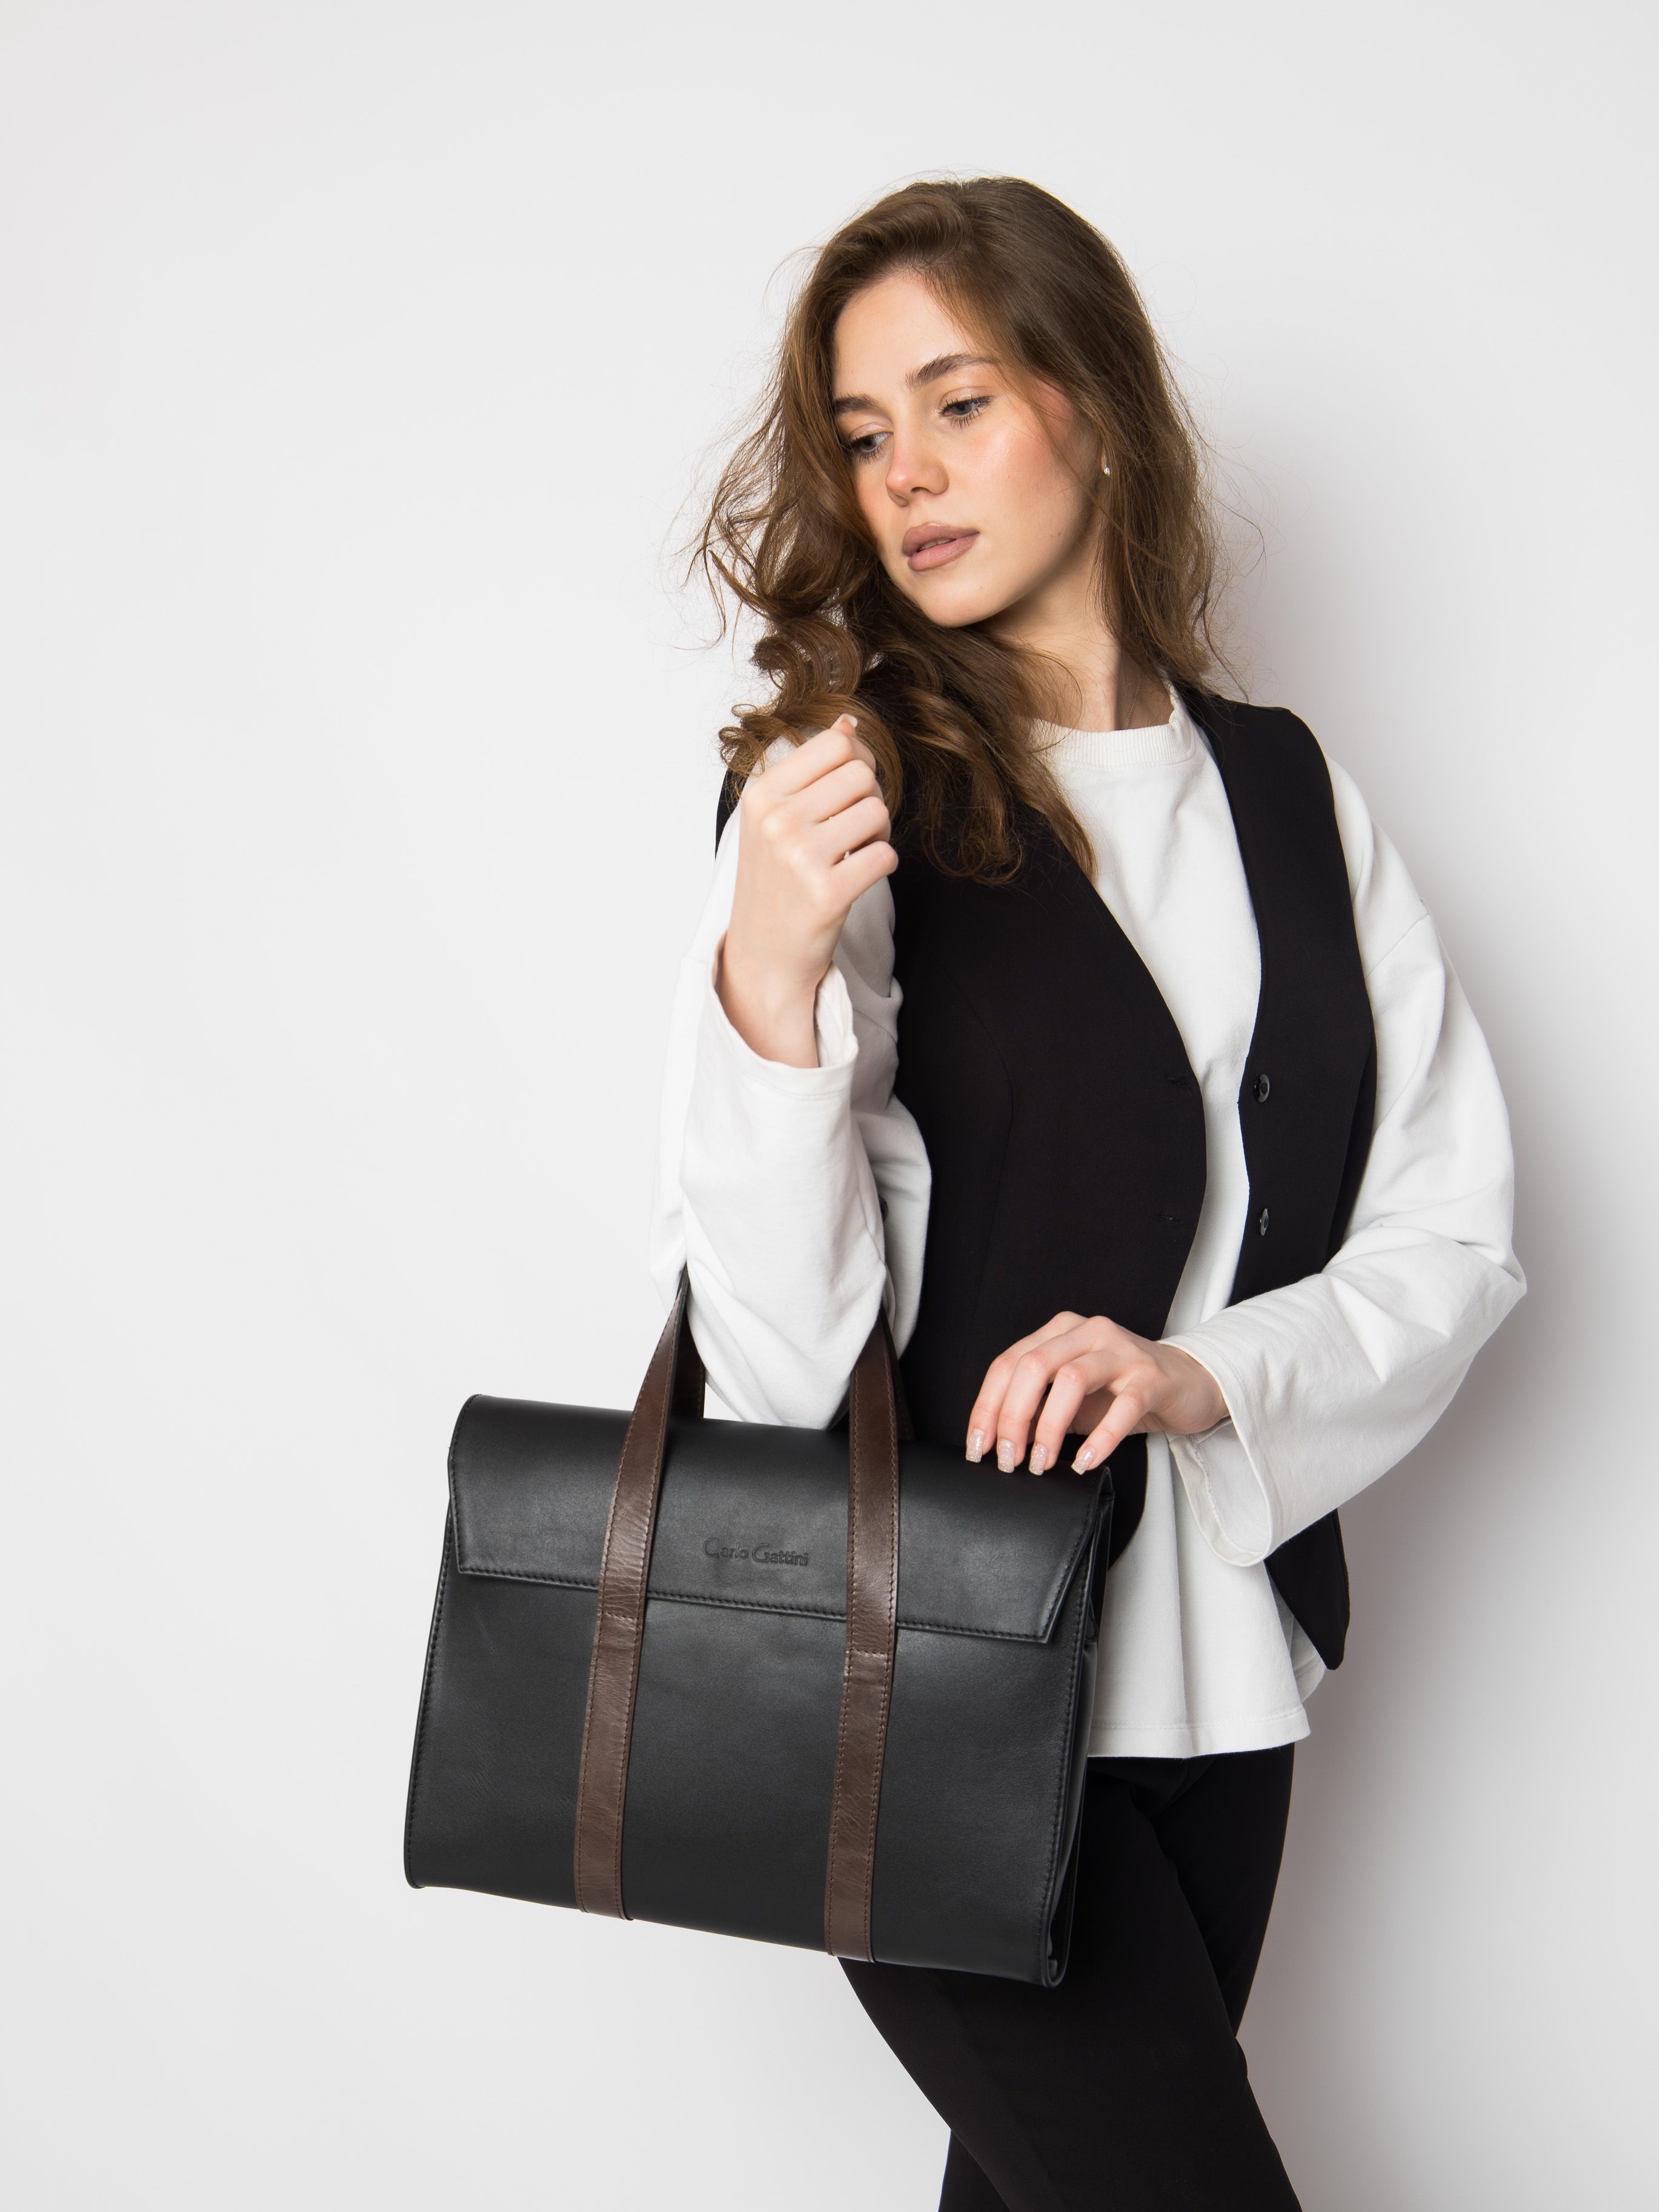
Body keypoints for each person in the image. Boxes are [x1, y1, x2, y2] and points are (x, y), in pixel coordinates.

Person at [650, 176, 1523, 2210]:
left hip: (1222, 1665)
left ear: (1098, 410)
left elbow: (1451, 1225)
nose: (903, 473)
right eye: (863, 431)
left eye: (956, 402)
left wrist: (1202, 1373)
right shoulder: (838, 789)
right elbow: (772, 1369)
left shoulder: (1288, 790)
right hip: (918, 1676)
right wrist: (767, 980)